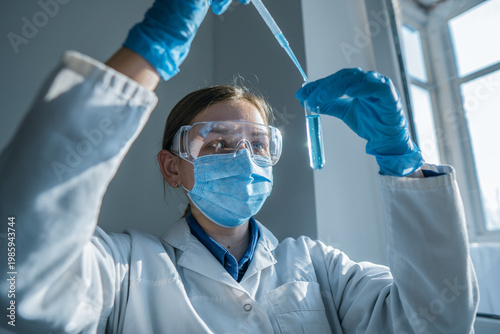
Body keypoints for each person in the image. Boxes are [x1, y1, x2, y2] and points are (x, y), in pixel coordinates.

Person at [0, 0, 478, 333]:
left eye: (258, 142)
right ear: (172, 168)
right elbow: (19, 286)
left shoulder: (318, 266)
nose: (244, 157)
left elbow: (439, 323)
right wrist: (152, 47)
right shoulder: (125, 268)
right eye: (217, 144)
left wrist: (403, 164)